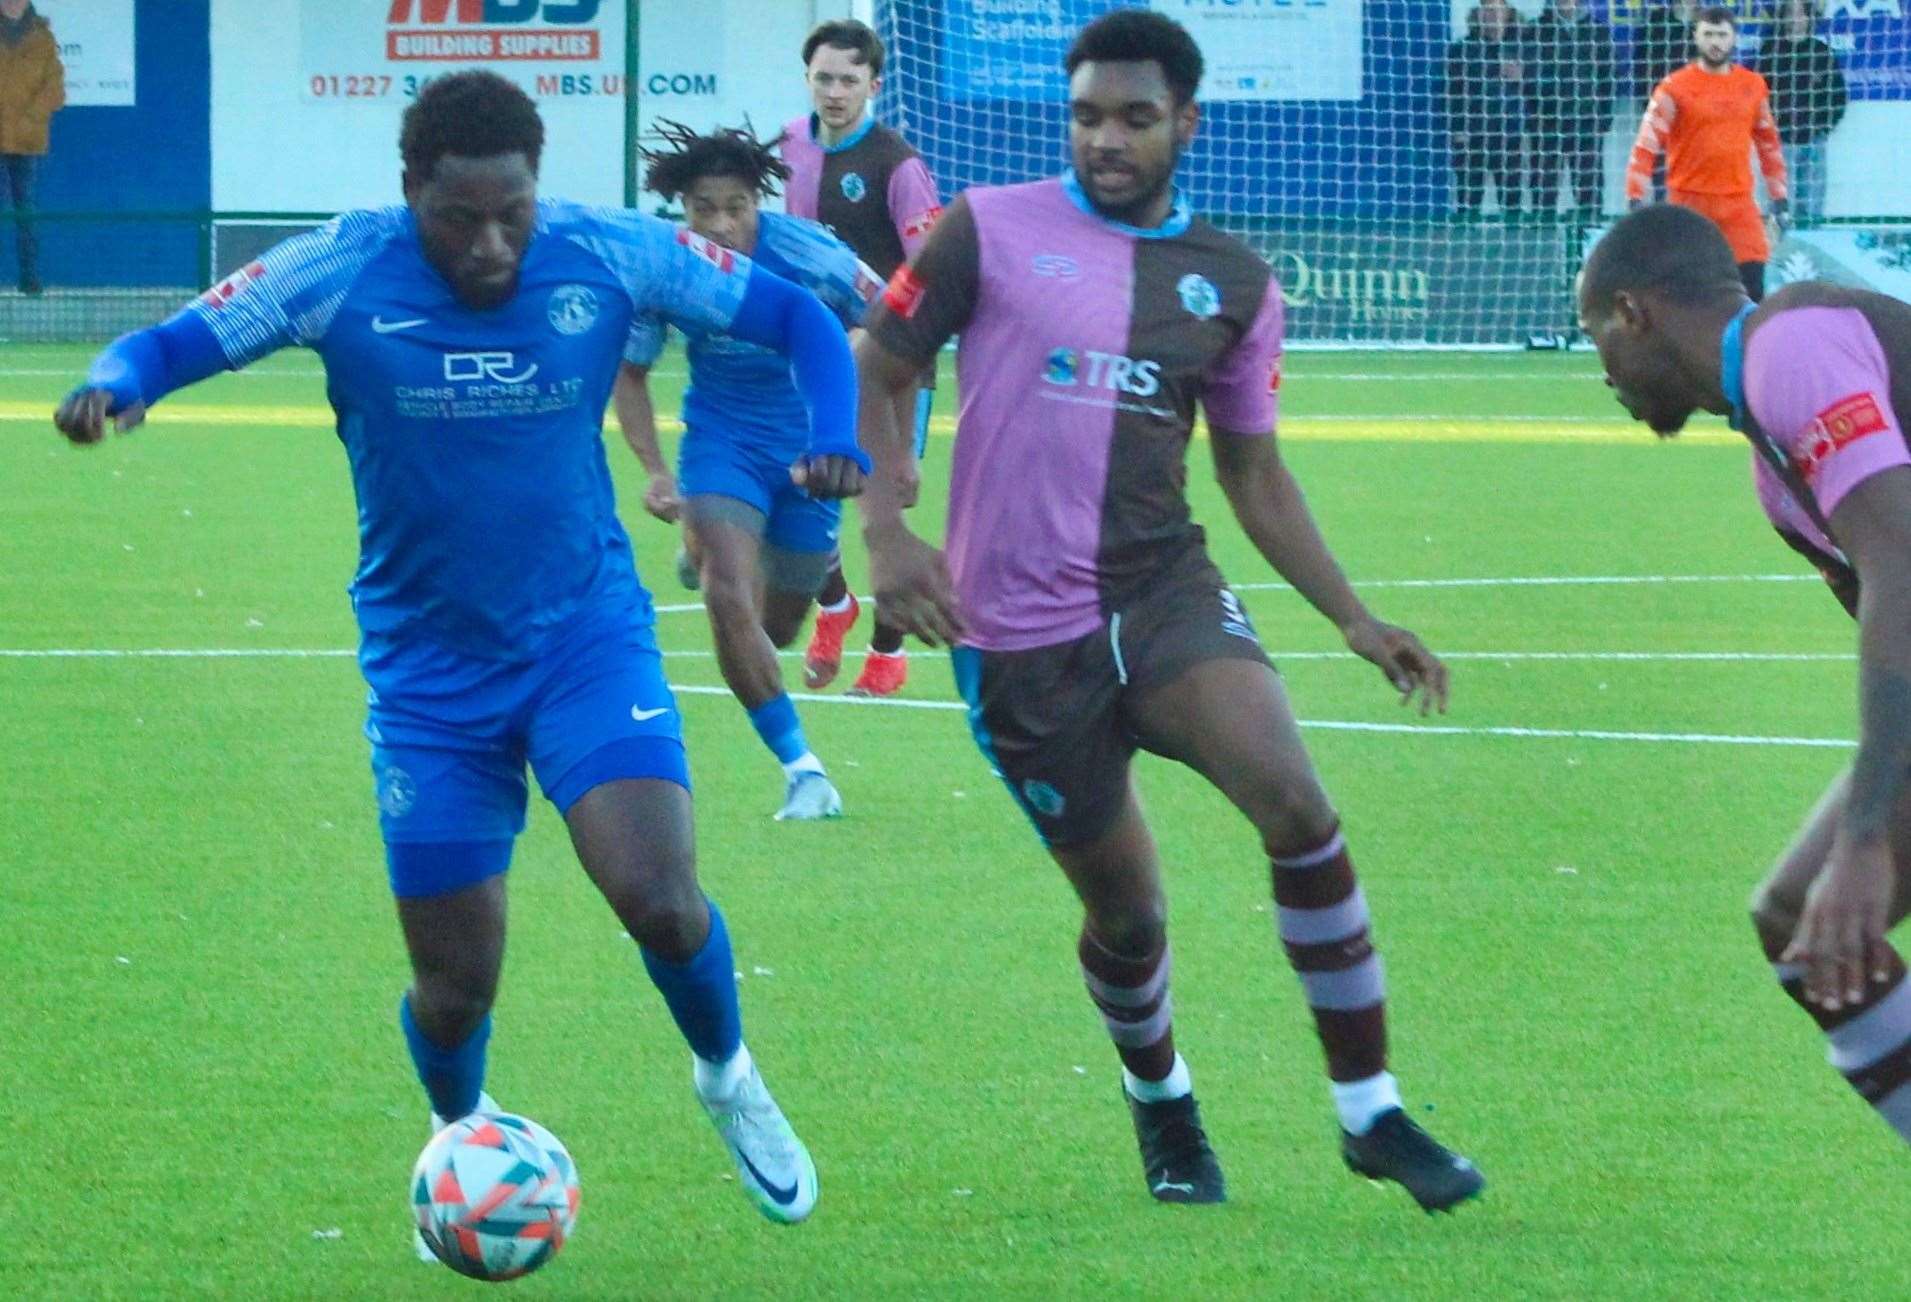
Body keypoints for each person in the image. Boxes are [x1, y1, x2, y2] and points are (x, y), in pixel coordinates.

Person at [51, 72, 869, 1237]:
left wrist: (836, 438)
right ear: (408, 192)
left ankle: (729, 1075)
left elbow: (794, 318)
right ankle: (464, 1145)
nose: (492, 244)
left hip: (585, 638)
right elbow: (176, 340)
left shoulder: (608, 251)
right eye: (460, 217)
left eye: (514, 214)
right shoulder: (338, 268)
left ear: (540, 192)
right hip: (429, 676)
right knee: (453, 987)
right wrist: (115, 385)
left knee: (661, 898)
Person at [853, 9, 1484, 1210]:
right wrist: (887, 532)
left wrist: (1353, 616)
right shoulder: (984, 227)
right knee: (1130, 921)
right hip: (1017, 636)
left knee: (1298, 806)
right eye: (1087, 114)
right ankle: (1164, 1108)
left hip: (1163, 593)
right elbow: (876, 367)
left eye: (1135, 118)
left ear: (1185, 123)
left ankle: (1371, 1111)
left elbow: (1254, 470)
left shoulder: (1237, 282)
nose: (1106, 138)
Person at [1579, 202, 1911, 1149]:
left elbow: (1900, 567)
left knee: (1821, 905)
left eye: (1592, 332)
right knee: (1803, 925)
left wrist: (1863, 834)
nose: (1598, 371)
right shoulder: (1770, 466)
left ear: (1634, 312)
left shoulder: (1791, 347)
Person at [614, 121, 880, 821]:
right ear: (684, 209)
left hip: (807, 453)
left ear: (759, 201)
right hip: (720, 440)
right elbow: (630, 372)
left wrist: (877, 433)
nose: (722, 225)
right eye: (705, 209)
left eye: (736, 207)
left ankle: (736, 555)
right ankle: (803, 769)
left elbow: (887, 322)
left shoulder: (809, 253)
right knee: (726, 593)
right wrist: (654, 469)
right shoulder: (667, 268)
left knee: (777, 628)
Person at [780, 17, 944, 698]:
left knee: (883, 512)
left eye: (849, 79)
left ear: (873, 85)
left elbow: (930, 275)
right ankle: (834, 606)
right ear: (808, 79)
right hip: (814, 360)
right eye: (824, 77)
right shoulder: (789, 144)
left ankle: (886, 655)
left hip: (893, 369)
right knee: (795, 492)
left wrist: (873, 337)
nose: (835, 91)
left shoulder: (897, 164)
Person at [1626, 7, 1789, 302]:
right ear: (1696, 37)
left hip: (1738, 204)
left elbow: (1769, 144)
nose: (1716, 42)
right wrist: (1635, 195)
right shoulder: (1674, 87)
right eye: (1709, 34)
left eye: (1722, 35)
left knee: (1752, 290)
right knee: (1687, 294)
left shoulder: (1752, 86)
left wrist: (1779, 197)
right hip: (1689, 203)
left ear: (1734, 39)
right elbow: (1646, 144)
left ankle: (1746, 348)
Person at [1521, 0, 1616, 216]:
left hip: (1586, 122)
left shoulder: (1597, 31)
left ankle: (1590, 243)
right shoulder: (1536, 30)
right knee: (1544, 187)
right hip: (1547, 122)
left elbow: (1607, 77)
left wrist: (1604, 117)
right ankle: (1542, 241)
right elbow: (1528, 76)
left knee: (1589, 187)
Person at [1761, 0, 1847, 225]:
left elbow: (1838, 96)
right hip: (1781, 142)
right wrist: (1771, 128)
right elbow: (1758, 95)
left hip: (1813, 142)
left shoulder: (1821, 52)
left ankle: (1810, 251)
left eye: (1800, 14)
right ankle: (1780, 253)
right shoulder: (1770, 52)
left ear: (1809, 18)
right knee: (1781, 205)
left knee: (1812, 207)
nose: (1795, 19)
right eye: (1790, 14)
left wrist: (1823, 128)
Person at [0, 0, 64, 296]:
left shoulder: (43, 37)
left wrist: (28, 121)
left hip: (27, 143)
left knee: (26, 212)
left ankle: (29, 279)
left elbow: (55, 90)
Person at [1444, 0, 1528, 214]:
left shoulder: (1523, 46)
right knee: (1469, 196)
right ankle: (1465, 240)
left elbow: (1541, 87)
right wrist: (1458, 129)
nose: (1491, 15)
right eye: (1486, 9)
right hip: (1474, 135)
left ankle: (1513, 241)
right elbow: (1453, 93)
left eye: (1495, 9)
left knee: (1511, 197)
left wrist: (1523, 77)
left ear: (1507, 13)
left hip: (1511, 134)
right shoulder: (1462, 50)